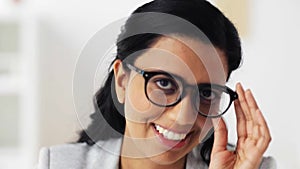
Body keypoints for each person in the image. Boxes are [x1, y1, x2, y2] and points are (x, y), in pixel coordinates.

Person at [37, 0, 276, 168]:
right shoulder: (58, 164)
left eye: (206, 92)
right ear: (122, 81)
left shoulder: (251, 167)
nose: (184, 117)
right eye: (163, 83)